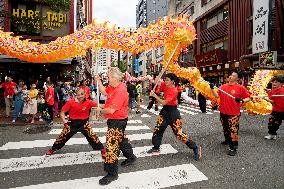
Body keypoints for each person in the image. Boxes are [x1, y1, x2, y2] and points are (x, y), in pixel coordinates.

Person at [95, 67, 137, 185]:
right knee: (122, 141)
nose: (107, 79)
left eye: (108, 77)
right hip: (117, 120)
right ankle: (131, 157)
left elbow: (111, 110)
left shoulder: (120, 91)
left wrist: (100, 110)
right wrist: (98, 81)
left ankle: (112, 173)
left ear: (114, 78)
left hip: (117, 121)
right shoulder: (113, 86)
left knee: (112, 146)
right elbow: (104, 92)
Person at [147, 73, 201, 161]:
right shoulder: (165, 85)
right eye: (165, 79)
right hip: (164, 112)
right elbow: (157, 81)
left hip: (173, 113)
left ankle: (195, 147)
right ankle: (156, 146)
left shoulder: (174, 91)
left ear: (173, 81)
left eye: (167, 80)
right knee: (158, 129)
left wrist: (155, 96)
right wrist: (161, 73)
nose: (165, 81)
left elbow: (164, 102)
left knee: (179, 133)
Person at [45, 88, 105, 157]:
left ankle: (102, 149)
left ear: (85, 94)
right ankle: (53, 149)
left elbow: (100, 105)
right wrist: (65, 123)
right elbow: (62, 113)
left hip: (84, 123)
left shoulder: (89, 102)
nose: (80, 96)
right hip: (72, 123)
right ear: (75, 95)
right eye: (78, 95)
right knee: (62, 137)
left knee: (93, 136)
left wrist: (105, 106)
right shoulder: (70, 102)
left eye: (82, 94)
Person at [210, 71, 251, 156]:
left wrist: (242, 100)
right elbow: (217, 96)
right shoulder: (223, 86)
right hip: (223, 112)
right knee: (225, 128)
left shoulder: (240, 88)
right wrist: (212, 88)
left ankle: (233, 147)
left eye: (233, 75)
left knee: (233, 130)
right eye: (230, 75)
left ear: (237, 78)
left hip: (233, 113)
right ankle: (227, 140)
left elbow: (248, 98)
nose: (230, 76)